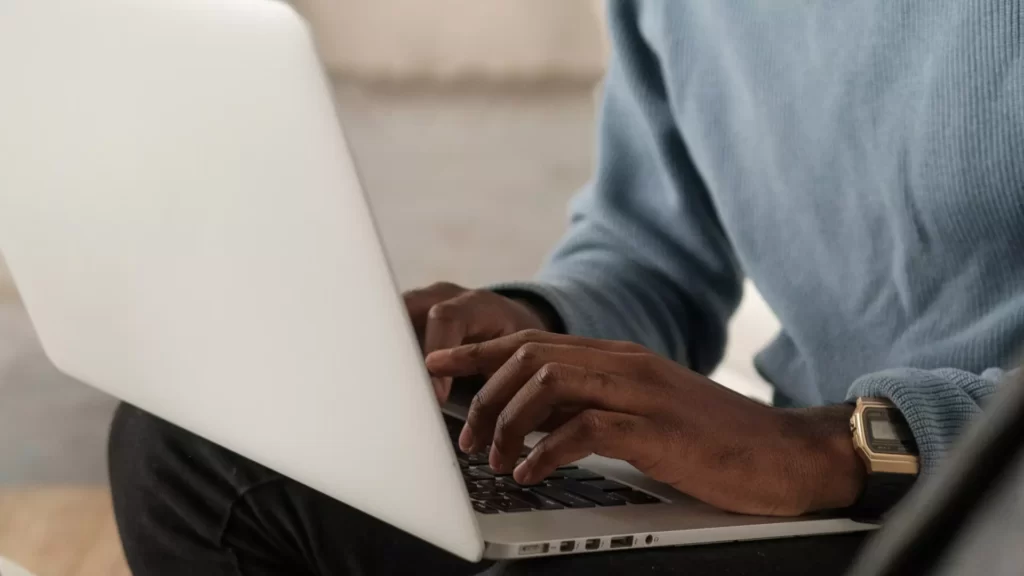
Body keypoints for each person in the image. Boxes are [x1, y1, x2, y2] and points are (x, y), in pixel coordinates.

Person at [108, 1, 1024, 574]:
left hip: (973, 513)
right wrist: (526, 329)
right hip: (815, 494)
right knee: (200, 448)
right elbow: (651, 252)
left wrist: (837, 448)